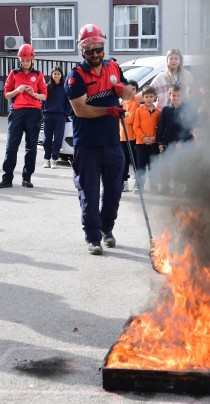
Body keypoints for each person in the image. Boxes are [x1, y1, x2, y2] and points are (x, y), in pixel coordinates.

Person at [65, 23, 134, 255]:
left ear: (103, 47)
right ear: (82, 50)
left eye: (98, 48)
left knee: (115, 189)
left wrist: (121, 88)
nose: (94, 53)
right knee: (89, 192)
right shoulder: (75, 76)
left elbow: (130, 94)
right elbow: (80, 109)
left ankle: (107, 228)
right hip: (87, 143)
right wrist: (108, 110)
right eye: (89, 50)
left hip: (112, 141)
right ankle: (93, 236)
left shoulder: (113, 66)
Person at [0, 44, 47, 188]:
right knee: (11, 146)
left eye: (27, 60)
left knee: (31, 147)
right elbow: (7, 95)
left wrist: (33, 94)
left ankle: (27, 178)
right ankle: (7, 178)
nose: (25, 63)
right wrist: (17, 91)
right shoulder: (14, 73)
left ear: (32, 59)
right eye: (23, 60)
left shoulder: (38, 74)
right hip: (17, 112)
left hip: (34, 113)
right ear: (19, 60)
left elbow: (44, 96)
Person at [132, 85, 161, 193]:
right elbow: (136, 126)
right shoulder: (138, 111)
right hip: (141, 143)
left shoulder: (158, 111)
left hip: (153, 143)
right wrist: (143, 137)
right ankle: (139, 186)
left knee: (153, 165)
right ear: (143, 97)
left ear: (155, 97)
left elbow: (160, 127)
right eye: (147, 97)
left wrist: (154, 137)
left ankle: (153, 186)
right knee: (141, 165)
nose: (149, 99)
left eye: (151, 96)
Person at [42, 66, 70, 170]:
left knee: (58, 138)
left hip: (60, 116)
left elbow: (68, 102)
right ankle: (47, 159)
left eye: (58, 74)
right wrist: (43, 113)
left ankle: (54, 159)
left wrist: (65, 114)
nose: (56, 76)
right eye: (54, 74)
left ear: (61, 75)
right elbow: (42, 101)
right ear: (51, 75)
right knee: (47, 138)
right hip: (48, 115)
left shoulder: (65, 88)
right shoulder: (47, 87)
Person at [119, 80, 140, 191]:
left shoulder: (135, 103)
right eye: (129, 89)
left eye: (134, 89)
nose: (131, 91)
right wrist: (123, 115)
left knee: (135, 160)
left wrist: (122, 116)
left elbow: (131, 119)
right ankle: (124, 181)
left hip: (132, 136)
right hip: (122, 136)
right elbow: (117, 117)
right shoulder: (122, 102)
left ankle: (137, 182)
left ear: (137, 91)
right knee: (124, 160)